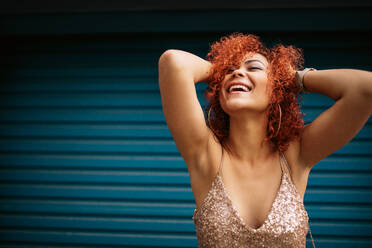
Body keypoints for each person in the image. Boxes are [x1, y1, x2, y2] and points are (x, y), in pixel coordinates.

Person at [157, 33, 372, 247]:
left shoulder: (296, 155)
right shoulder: (207, 155)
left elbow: (366, 90)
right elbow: (174, 63)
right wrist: (221, 70)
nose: (238, 72)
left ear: (277, 88)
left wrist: (295, 78)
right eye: (230, 71)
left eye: (254, 68)